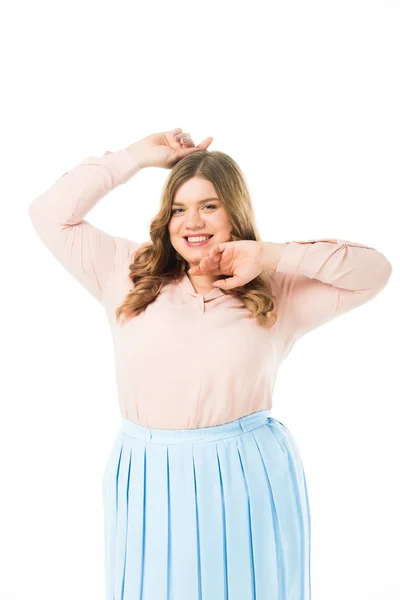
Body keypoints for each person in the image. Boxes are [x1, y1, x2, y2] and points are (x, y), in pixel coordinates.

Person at [28, 128, 393, 600]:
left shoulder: (275, 289)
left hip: (248, 473)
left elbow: (375, 271)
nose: (191, 221)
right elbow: (48, 213)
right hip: (147, 471)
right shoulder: (125, 269)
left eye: (209, 206)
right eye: (179, 208)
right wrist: (137, 157)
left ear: (233, 212)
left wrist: (270, 255)